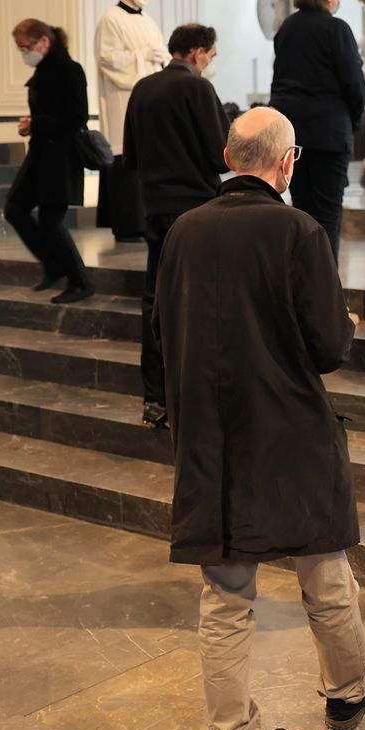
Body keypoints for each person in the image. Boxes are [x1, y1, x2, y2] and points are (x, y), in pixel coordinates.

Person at [155, 108, 365, 730]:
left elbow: (161, 327)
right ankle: (348, 692)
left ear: (228, 157)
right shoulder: (298, 230)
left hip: (210, 432)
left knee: (225, 594)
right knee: (324, 568)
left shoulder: (183, 230)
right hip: (288, 427)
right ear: (287, 162)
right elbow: (329, 346)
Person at [124, 23, 231, 429]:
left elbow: (130, 157)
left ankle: (155, 399)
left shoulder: (142, 88)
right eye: (212, 56)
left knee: (155, 302)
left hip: (154, 208)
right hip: (196, 211)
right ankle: (198, 398)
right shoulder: (197, 88)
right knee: (201, 303)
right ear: (198, 52)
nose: (210, 63)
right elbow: (222, 155)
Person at [269, 0, 365, 258]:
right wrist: (352, 122)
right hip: (329, 134)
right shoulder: (336, 29)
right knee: (327, 215)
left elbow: (280, 79)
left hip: (292, 135)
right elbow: (355, 85)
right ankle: (323, 284)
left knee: (301, 210)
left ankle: (300, 280)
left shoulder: (287, 28)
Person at [8, 18, 93, 304]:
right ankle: (54, 265)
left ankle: (80, 281)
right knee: (15, 208)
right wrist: (33, 124)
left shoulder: (69, 69)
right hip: (41, 153)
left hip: (61, 156)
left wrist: (37, 124)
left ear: (44, 41)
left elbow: (77, 116)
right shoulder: (43, 70)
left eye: (26, 47)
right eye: (20, 48)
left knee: (50, 220)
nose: (23, 53)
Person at [92, 0, 167, 242]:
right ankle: (127, 225)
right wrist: (142, 56)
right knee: (125, 157)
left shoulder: (149, 21)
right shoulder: (111, 19)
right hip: (123, 98)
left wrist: (160, 58)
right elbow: (107, 58)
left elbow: (160, 55)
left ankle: (147, 221)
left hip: (149, 98)